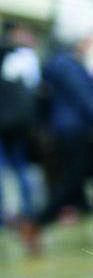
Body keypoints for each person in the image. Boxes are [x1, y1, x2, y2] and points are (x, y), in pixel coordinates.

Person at [18, 30, 93, 251]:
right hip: (77, 132)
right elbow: (85, 98)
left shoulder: (67, 64)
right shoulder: (68, 65)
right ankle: (35, 223)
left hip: (83, 131)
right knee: (73, 183)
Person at [0, 22, 43, 223]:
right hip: (18, 122)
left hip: (9, 121)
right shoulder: (24, 57)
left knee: (9, 167)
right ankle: (27, 212)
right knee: (20, 166)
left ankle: (10, 214)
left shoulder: (17, 56)